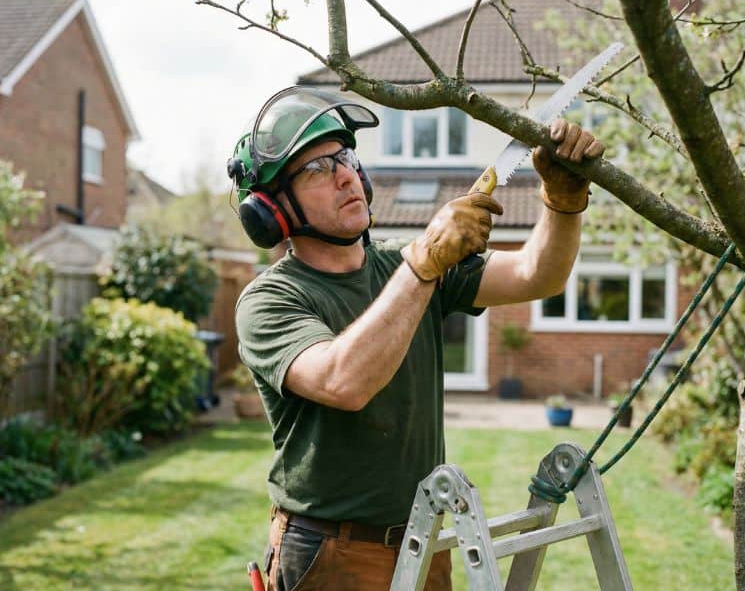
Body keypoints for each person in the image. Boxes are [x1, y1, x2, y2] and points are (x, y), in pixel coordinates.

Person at [231, 86, 604, 591]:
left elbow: (538, 275)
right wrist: (423, 263)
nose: (346, 176)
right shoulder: (269, 300)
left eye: (345, 158)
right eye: (317, 169)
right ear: (272, 208)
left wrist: (563, 203)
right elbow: (344, 381)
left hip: (425, 540)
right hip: (332, 552)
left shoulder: (402, 264)